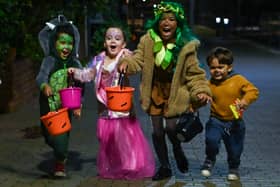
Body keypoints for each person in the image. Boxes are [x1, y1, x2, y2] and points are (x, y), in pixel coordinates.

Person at [118, 1, 212, 181]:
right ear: (157, 22)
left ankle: (177, 149)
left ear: (178, 23)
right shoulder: (148, 40)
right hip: (155, 91)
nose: (166, 23)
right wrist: (127, 64)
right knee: (157, 131)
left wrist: (201, 90)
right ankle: (165, 166)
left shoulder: (186, 45)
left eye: (171, 19)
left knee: (171, 128)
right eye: (163, 19)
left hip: (175, 92)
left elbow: (195, 72)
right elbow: (138, 59)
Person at [68, 26, 155, 180]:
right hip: (104, 107)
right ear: (104, 43)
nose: (113, 41)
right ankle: (113, 164)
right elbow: (88, 74)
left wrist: (129, 62)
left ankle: (131, 164)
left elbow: (135, 63)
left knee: (126, 138)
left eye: (117, 38)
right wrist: (75, 72)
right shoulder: (99, 59)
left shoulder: (126, 56)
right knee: (105, 137)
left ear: (124, 43)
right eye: (109, 38)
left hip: (122, 107)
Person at [200, 47, 259, 181]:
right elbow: (199, 95)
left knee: (235, 148)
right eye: (213, 68)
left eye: (221, 67)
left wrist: (244, 101)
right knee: (211, 140)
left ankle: (233, 167)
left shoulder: (238, 80)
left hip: (235, 122)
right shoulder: (208, 84)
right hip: (216, 120)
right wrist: (199, 98)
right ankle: (210, 159)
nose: (216, 71)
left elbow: (253, 91)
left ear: (229, 67)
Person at [36, 15, 83, 178]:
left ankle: (60, 163)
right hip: (47, 106)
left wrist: (77, 105)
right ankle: (57, 149)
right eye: (62, 42)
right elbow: (40, 77)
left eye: (70, 43)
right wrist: (44, 85)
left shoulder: (75, 63)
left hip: (65, 108)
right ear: (54, 43)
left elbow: (80, 85)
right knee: (49, 136)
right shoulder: (49, 61)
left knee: (61, 138)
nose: (66, 47)